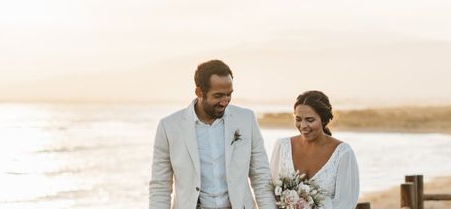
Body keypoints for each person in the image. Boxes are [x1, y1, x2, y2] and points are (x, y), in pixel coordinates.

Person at [149, 59, 276, 209]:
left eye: (229, 94)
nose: (225, 101)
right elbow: (160, 185)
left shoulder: (246, 119)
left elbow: (261, 177)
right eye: (218, 96)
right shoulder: (169, 127)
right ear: (199, 92)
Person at [270, 90, 360, 209]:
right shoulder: (282, 146)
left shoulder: (343, 153)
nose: (303, 126)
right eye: (298, 119)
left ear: (323, 120)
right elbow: (269, 193)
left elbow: (346, 203)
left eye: (309, 120)